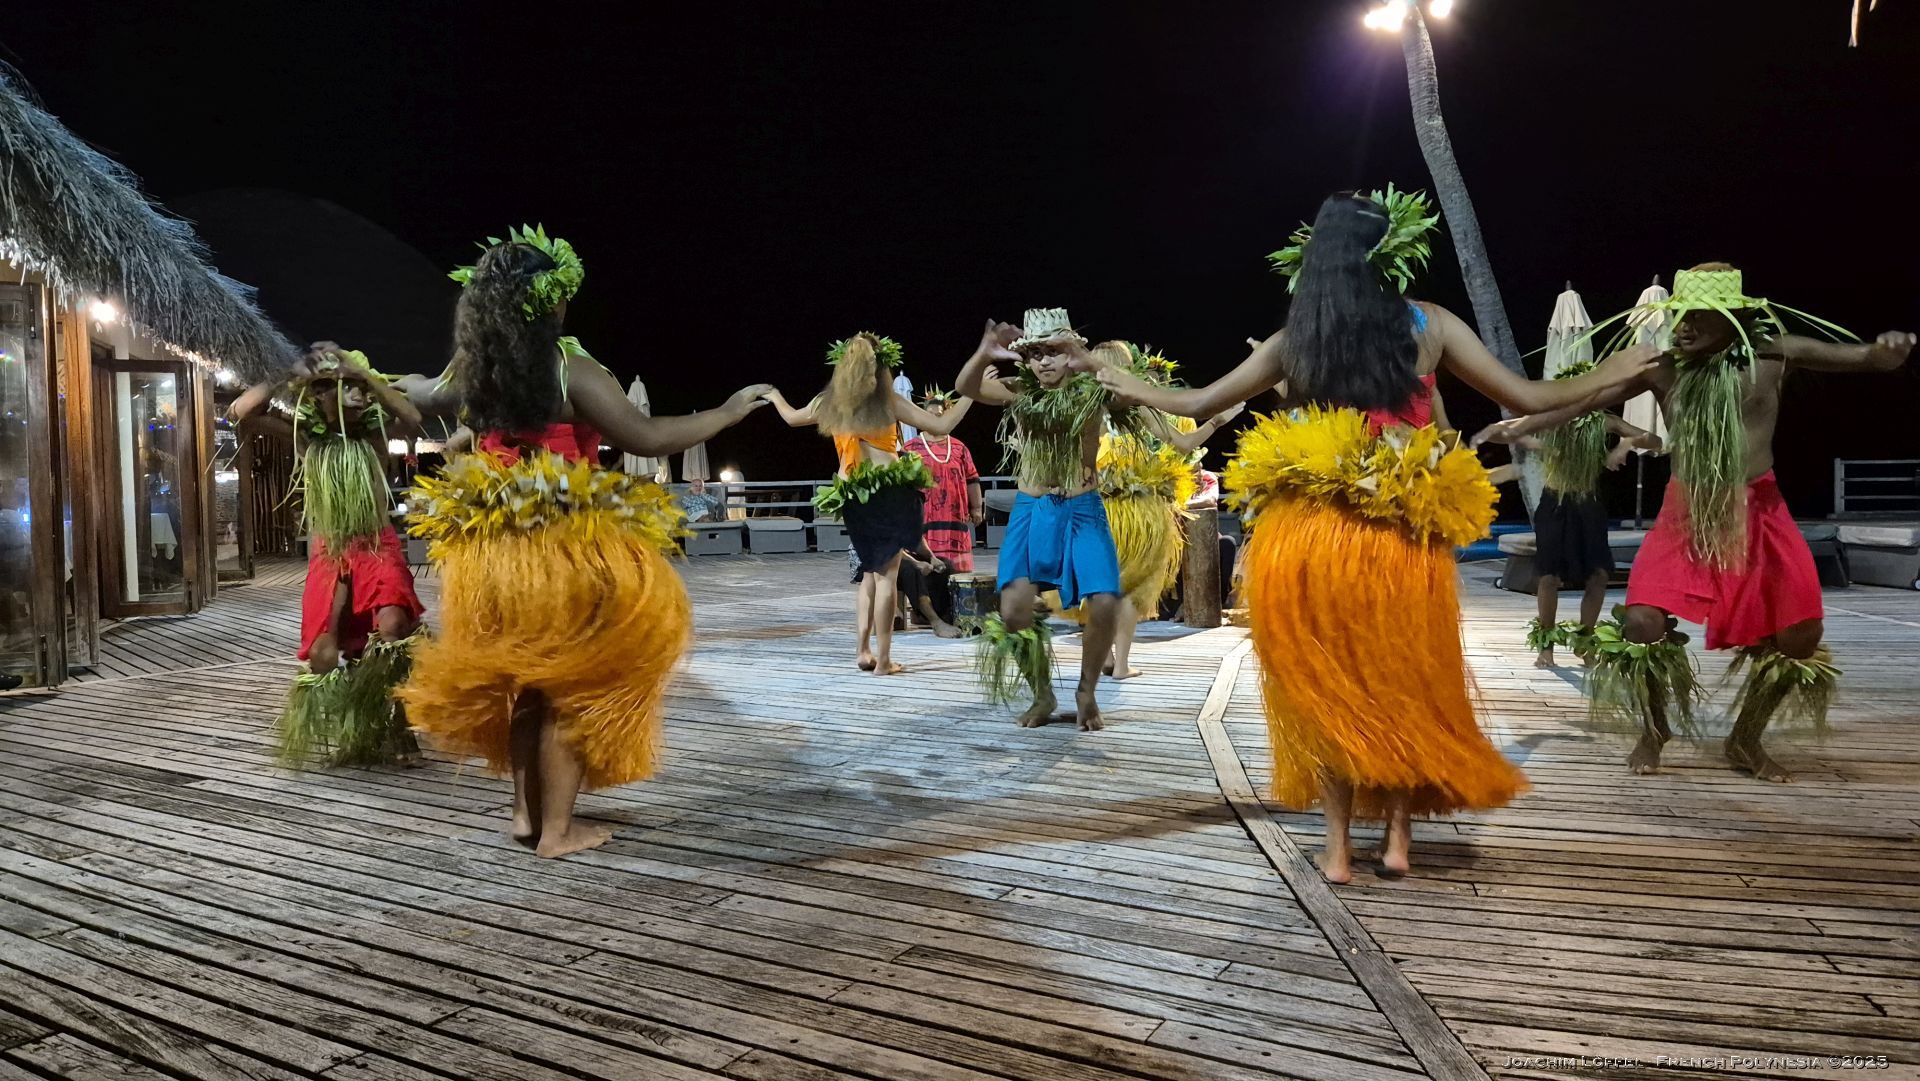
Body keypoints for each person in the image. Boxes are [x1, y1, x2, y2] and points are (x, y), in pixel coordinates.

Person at [1099, 189, 1657, 879]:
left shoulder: (1296, 340)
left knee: (1330, 688)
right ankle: (1397, 840)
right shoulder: (1429, 323)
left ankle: (1336, 848)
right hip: (1399, 533)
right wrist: (1617, 374)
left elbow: (1197, 402)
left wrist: (1115, 378)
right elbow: (1529, 398)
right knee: (1403, 680)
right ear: (1390, 250)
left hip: (1313, 534)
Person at [396, 225, 771, 857]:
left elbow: (419, 393)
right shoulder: (573, 370)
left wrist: (362, 378)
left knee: (527, 681)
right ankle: (559, 832)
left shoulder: (475, 370)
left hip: (495, 551)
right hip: (566, 548)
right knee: (572, 683)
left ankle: (526, 814)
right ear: (553, 298)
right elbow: (647, 438)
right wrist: (729, 412)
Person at [1478, 263, 1913, 781]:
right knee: (1641, 622)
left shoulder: (1774, 354)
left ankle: (1745, 739)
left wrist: (1886, 353)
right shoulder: (1662, 368)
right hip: (1685, 511)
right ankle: (1654, 729)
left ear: (1733, 318)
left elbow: (1863, 357)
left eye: (1698, 317)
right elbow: (1585, 402)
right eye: (1681, 315)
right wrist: (1522, 425)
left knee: (1800, 634)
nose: (1683, 327)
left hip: (1760, 511)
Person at [230, 343, 426, 768]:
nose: (358, 395)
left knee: (392, 629)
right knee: (323, 652)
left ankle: (397, 722)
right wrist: (289, 372)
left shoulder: (375, 433)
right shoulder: (306, 437)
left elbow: (413, 417)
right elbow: (241, 413)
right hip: (331, 550)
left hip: (376, 545)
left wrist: (361, 372)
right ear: (319, 396)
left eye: (360, 388)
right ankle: (354, 724)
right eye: (344, 388)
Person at [954, 308, 1144, 731]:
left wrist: (1089, 363)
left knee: (1106, 601)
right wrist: (985, 351)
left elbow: (1133, 393)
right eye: (1035, 354)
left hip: (1082, 508)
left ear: (1071, 351)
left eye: (1054, 352)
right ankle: (1042, 692)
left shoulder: (1093, 391)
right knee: (1013, 611)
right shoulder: (1019, 391)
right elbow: (965, 386)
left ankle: (1086, 691)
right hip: (1031, 509)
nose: (1044, 362)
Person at [765, 333, 971, 675]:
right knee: (887, 577)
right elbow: (942, 424)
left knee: (868, 576)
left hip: (854, 495)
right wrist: (971, 393)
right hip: (890, 492)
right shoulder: (887, 401)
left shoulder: (828, 402)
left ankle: (863, 650)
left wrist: (773, 394)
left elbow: (790, 417)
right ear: (880, 366)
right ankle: (884, 660)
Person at [1065, 343, 1242, 678]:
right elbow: (1184, 445)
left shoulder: (1082, 410)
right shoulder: (1138, 408)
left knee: (1100, 586)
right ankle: (1121, 664)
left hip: (1096, 510)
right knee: (1131, 589)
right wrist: (1217, 421)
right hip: (1138, 515)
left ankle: (1105, 657)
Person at [1483, 362, 1663, 667]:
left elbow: (1655, 442)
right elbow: (1497, 433)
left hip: (1590, 505)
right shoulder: (1551, 420)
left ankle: (1584, 641)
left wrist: (1626, 443)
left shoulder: (1604, 422)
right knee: (1549, 576)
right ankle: (1546, 647)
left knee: (1599, 575)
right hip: (1555, 503)